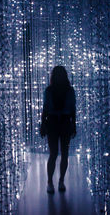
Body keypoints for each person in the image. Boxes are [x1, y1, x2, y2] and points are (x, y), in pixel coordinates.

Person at [40, 66, 76, 194]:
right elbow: (45, 108)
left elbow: (72, 108)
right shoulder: (50, 91)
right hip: (56, 122)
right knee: (56, 153)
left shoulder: (66, 90)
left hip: (61, 122)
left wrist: (74, 125)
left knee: (60, 154)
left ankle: (59, 181)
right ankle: (52, 182)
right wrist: (43, 124)